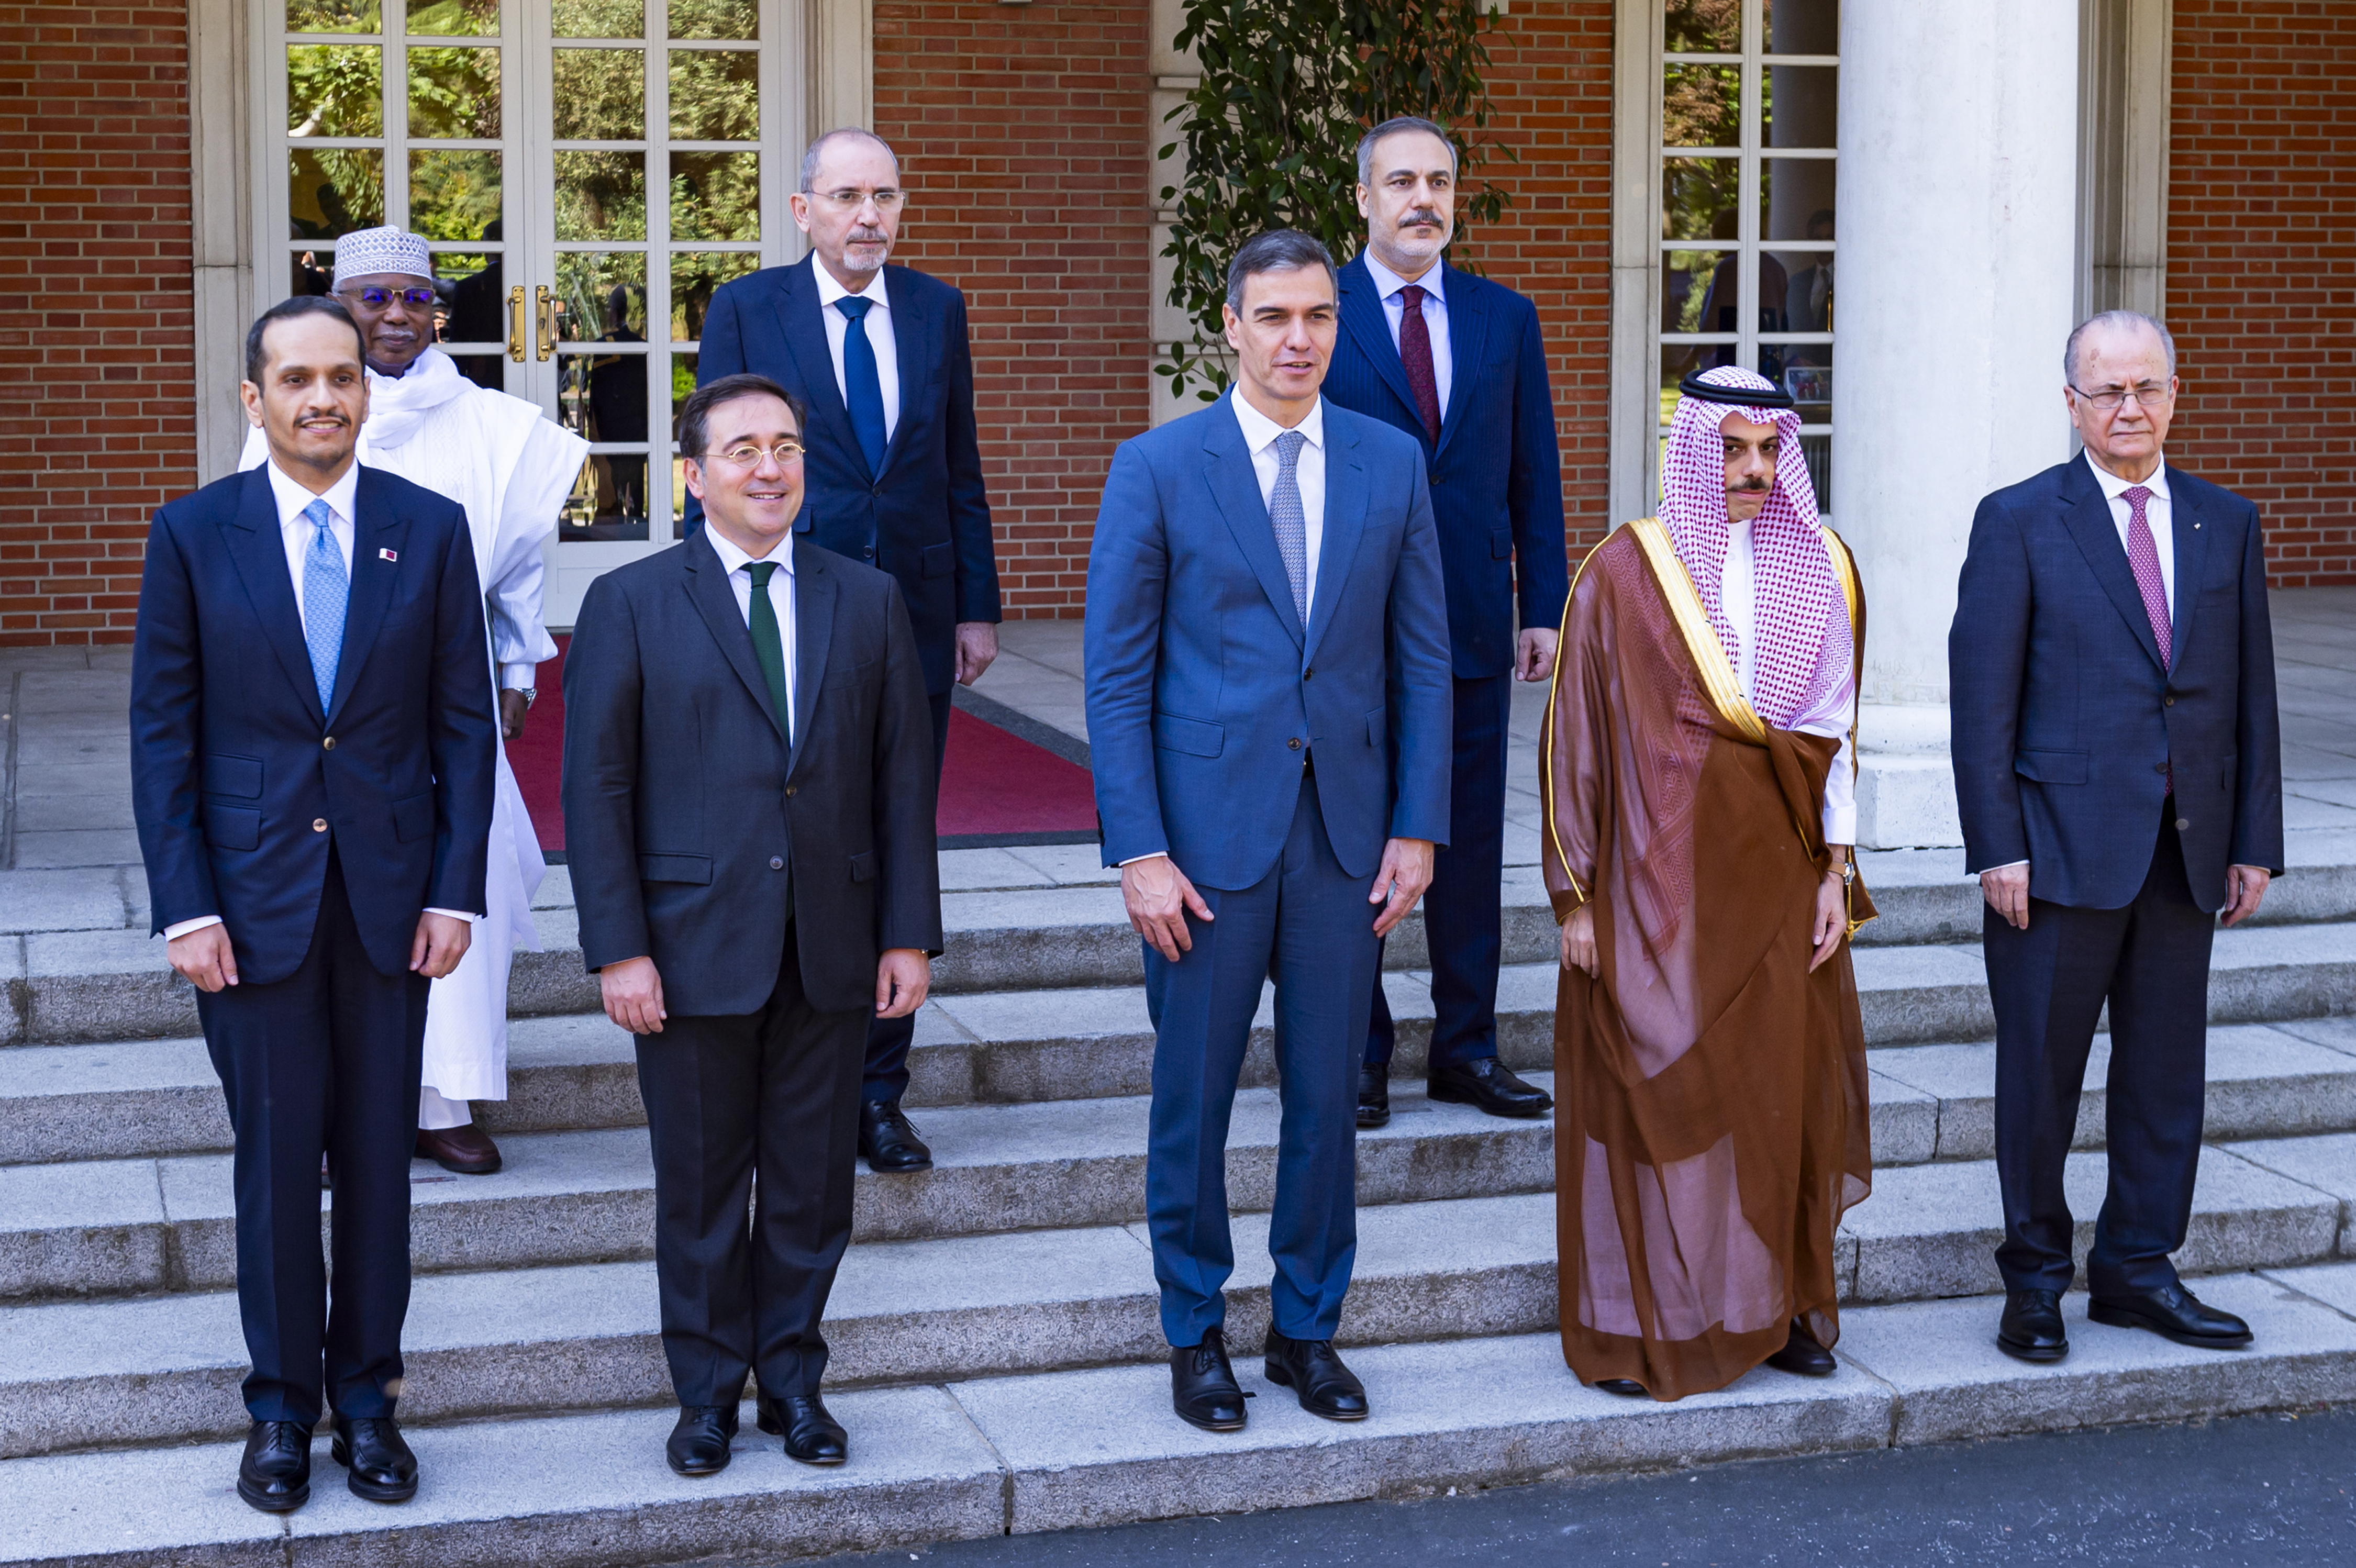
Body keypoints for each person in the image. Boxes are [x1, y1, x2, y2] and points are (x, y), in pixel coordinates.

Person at [132, 296, 497, 1510]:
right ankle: (283, 1411)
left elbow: (463, 725)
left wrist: (456, 888)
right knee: (279, 1168)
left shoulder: (431, 530)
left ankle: (373, 1406)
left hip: (394, 904)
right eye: (297, 379)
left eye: (342, 376)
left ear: (367, 391)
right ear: (257, 398)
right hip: (251, 907)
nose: (323, 397)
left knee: (382, 1171)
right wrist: (186, 906)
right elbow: (162, 738)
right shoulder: (193, 534)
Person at [1085, 230, 1453, 1433]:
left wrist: (1418, 828)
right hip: (1201, 850)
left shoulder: (1391, 465)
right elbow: (1115, 676)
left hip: (1347, 840)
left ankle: (1307, 1329)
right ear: (1230, 327)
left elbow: (1424, 664)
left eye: (1319, 318)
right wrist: (1138, 851)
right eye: (1275, 318)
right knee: (1190, 1100)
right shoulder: (1158, 466)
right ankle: (1195, 1334)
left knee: (1327, 1101)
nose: (1300, 340)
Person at [561, 373, 942, 1478]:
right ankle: (705, 1396)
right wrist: (618, 946)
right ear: (693, 475)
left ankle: (794, 1382)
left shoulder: (864, 598)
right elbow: (599, 790)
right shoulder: (631, 601)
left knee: (816, 1188)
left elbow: (901, 781)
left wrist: (906, 932)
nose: (768, 467)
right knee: (700, 1189)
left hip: (831, 942)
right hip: (685, 952)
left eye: (785, 447)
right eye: (740, 450)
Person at [1950, 310, 2284, 1363]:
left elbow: (2251, 694)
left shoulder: (2225, 523)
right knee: (2040, 1079)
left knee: (2164, 1073)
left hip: (2188, 852)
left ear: (2175, 394)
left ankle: (2139, 1269)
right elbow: (1981, 701)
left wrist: (2255, 839)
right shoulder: (2019, 521)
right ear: (2073, 404)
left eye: (2147, 388)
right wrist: (1996, 843)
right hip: (2055, 852)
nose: (2129, 408)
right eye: (2108, 392)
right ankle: (2037, 1279)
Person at [1539, 364, 1873, 1402]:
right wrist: (1576, 893)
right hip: (1655, 881)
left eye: (1771, 450)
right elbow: (1575, 740)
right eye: (1732, 450)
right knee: (1662, 1089)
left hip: (1778, 875)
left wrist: (1837, 872)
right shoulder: (1624, 571)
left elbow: (1835, 738)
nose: (1755, 470)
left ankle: (1775, 1306)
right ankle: (1656, 1312)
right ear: (1691, 452)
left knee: (1774, 1092)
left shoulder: (1826, 564)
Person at [239, 226, 586, 1177]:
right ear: (341, 306)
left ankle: (443, 1099)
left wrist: (517, 670)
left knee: (456, 883)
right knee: (326, 895)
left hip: (441, 698)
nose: (396, 315)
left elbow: (517, 572)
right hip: (315, 699)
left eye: (413, 297)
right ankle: (330, 1107)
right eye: (374, 298)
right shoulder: (290, 415)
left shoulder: (496, 428)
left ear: (438, 308)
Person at [695, 127, 1002, 1175]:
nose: (867, 215)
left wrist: (975, 604)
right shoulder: (747, 309)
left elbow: (957, 460)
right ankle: (794, 1072)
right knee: (802, 825)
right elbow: (725, 460)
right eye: (845, 197)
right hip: (794, 604)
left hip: (911, 611)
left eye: (883, 196)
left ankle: (880, 1091)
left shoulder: (937, 309)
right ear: (803, 210)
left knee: (896, 832)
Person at [1324, 115, 1566, 1129]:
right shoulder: (1316, 309)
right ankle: (1359, 1052)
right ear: (1366, 199)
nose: (1423, 199)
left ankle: (1466, 1046)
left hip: (1470, 620)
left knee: (1467, 846)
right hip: (1345, 629)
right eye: (1401, 182)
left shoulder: (1503, 318)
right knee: (1355, 841)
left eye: (1438, 182)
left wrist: (1543, 604)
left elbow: (1533, 472)